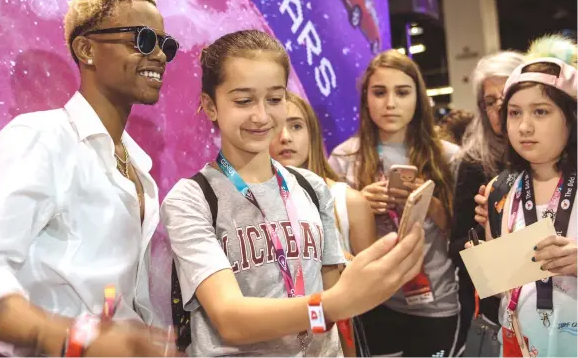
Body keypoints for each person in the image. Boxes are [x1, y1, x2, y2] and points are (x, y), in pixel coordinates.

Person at [161, 30, 425, 357]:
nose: (261, 116)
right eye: (243, 101)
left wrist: (375, 277)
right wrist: (332, 304)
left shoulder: (311, 188)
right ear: (210, 106)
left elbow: (335, 298)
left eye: (274, 99)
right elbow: (230, 319)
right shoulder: (192, 199)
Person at [0, 0, 180, 356]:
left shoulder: (138, 167)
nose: (160, 56)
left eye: (166, 45)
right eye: (143, 40)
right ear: (86, 48)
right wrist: (71, 338)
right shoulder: (40, 138)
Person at [328, 49, 460, 357]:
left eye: (402, 92)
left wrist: (431, 205)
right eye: (379, 92)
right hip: (373, 301)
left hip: (436, 301)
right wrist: (360, 206)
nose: (390, 103)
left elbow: (465, 234)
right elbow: (333, 242)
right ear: (366, 99)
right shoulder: (344, 158)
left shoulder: (449, 156)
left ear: (418, 97)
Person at [469, 35, 577, 357]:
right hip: (519, 342)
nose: (524, 127)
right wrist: (485, 261)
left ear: (571, 118)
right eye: (514, 113)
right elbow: (502, 288)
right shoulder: (500, 189)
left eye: (541, 112)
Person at [269, 91, 376, 356]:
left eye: (296, 125)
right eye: (276, 126)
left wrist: (346, 271)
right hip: (273, 340)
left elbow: (372, 293)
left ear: (312, 134)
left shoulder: (348, 201)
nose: (286, 137)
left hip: (337, 342)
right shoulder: (248, 204)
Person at [448, 51, 525, 353]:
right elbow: (458, 248)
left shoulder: (563, 159)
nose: (499, 109)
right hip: (498, 313)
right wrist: (487, 233)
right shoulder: (474, 162)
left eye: (505, 97)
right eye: (488, 102)